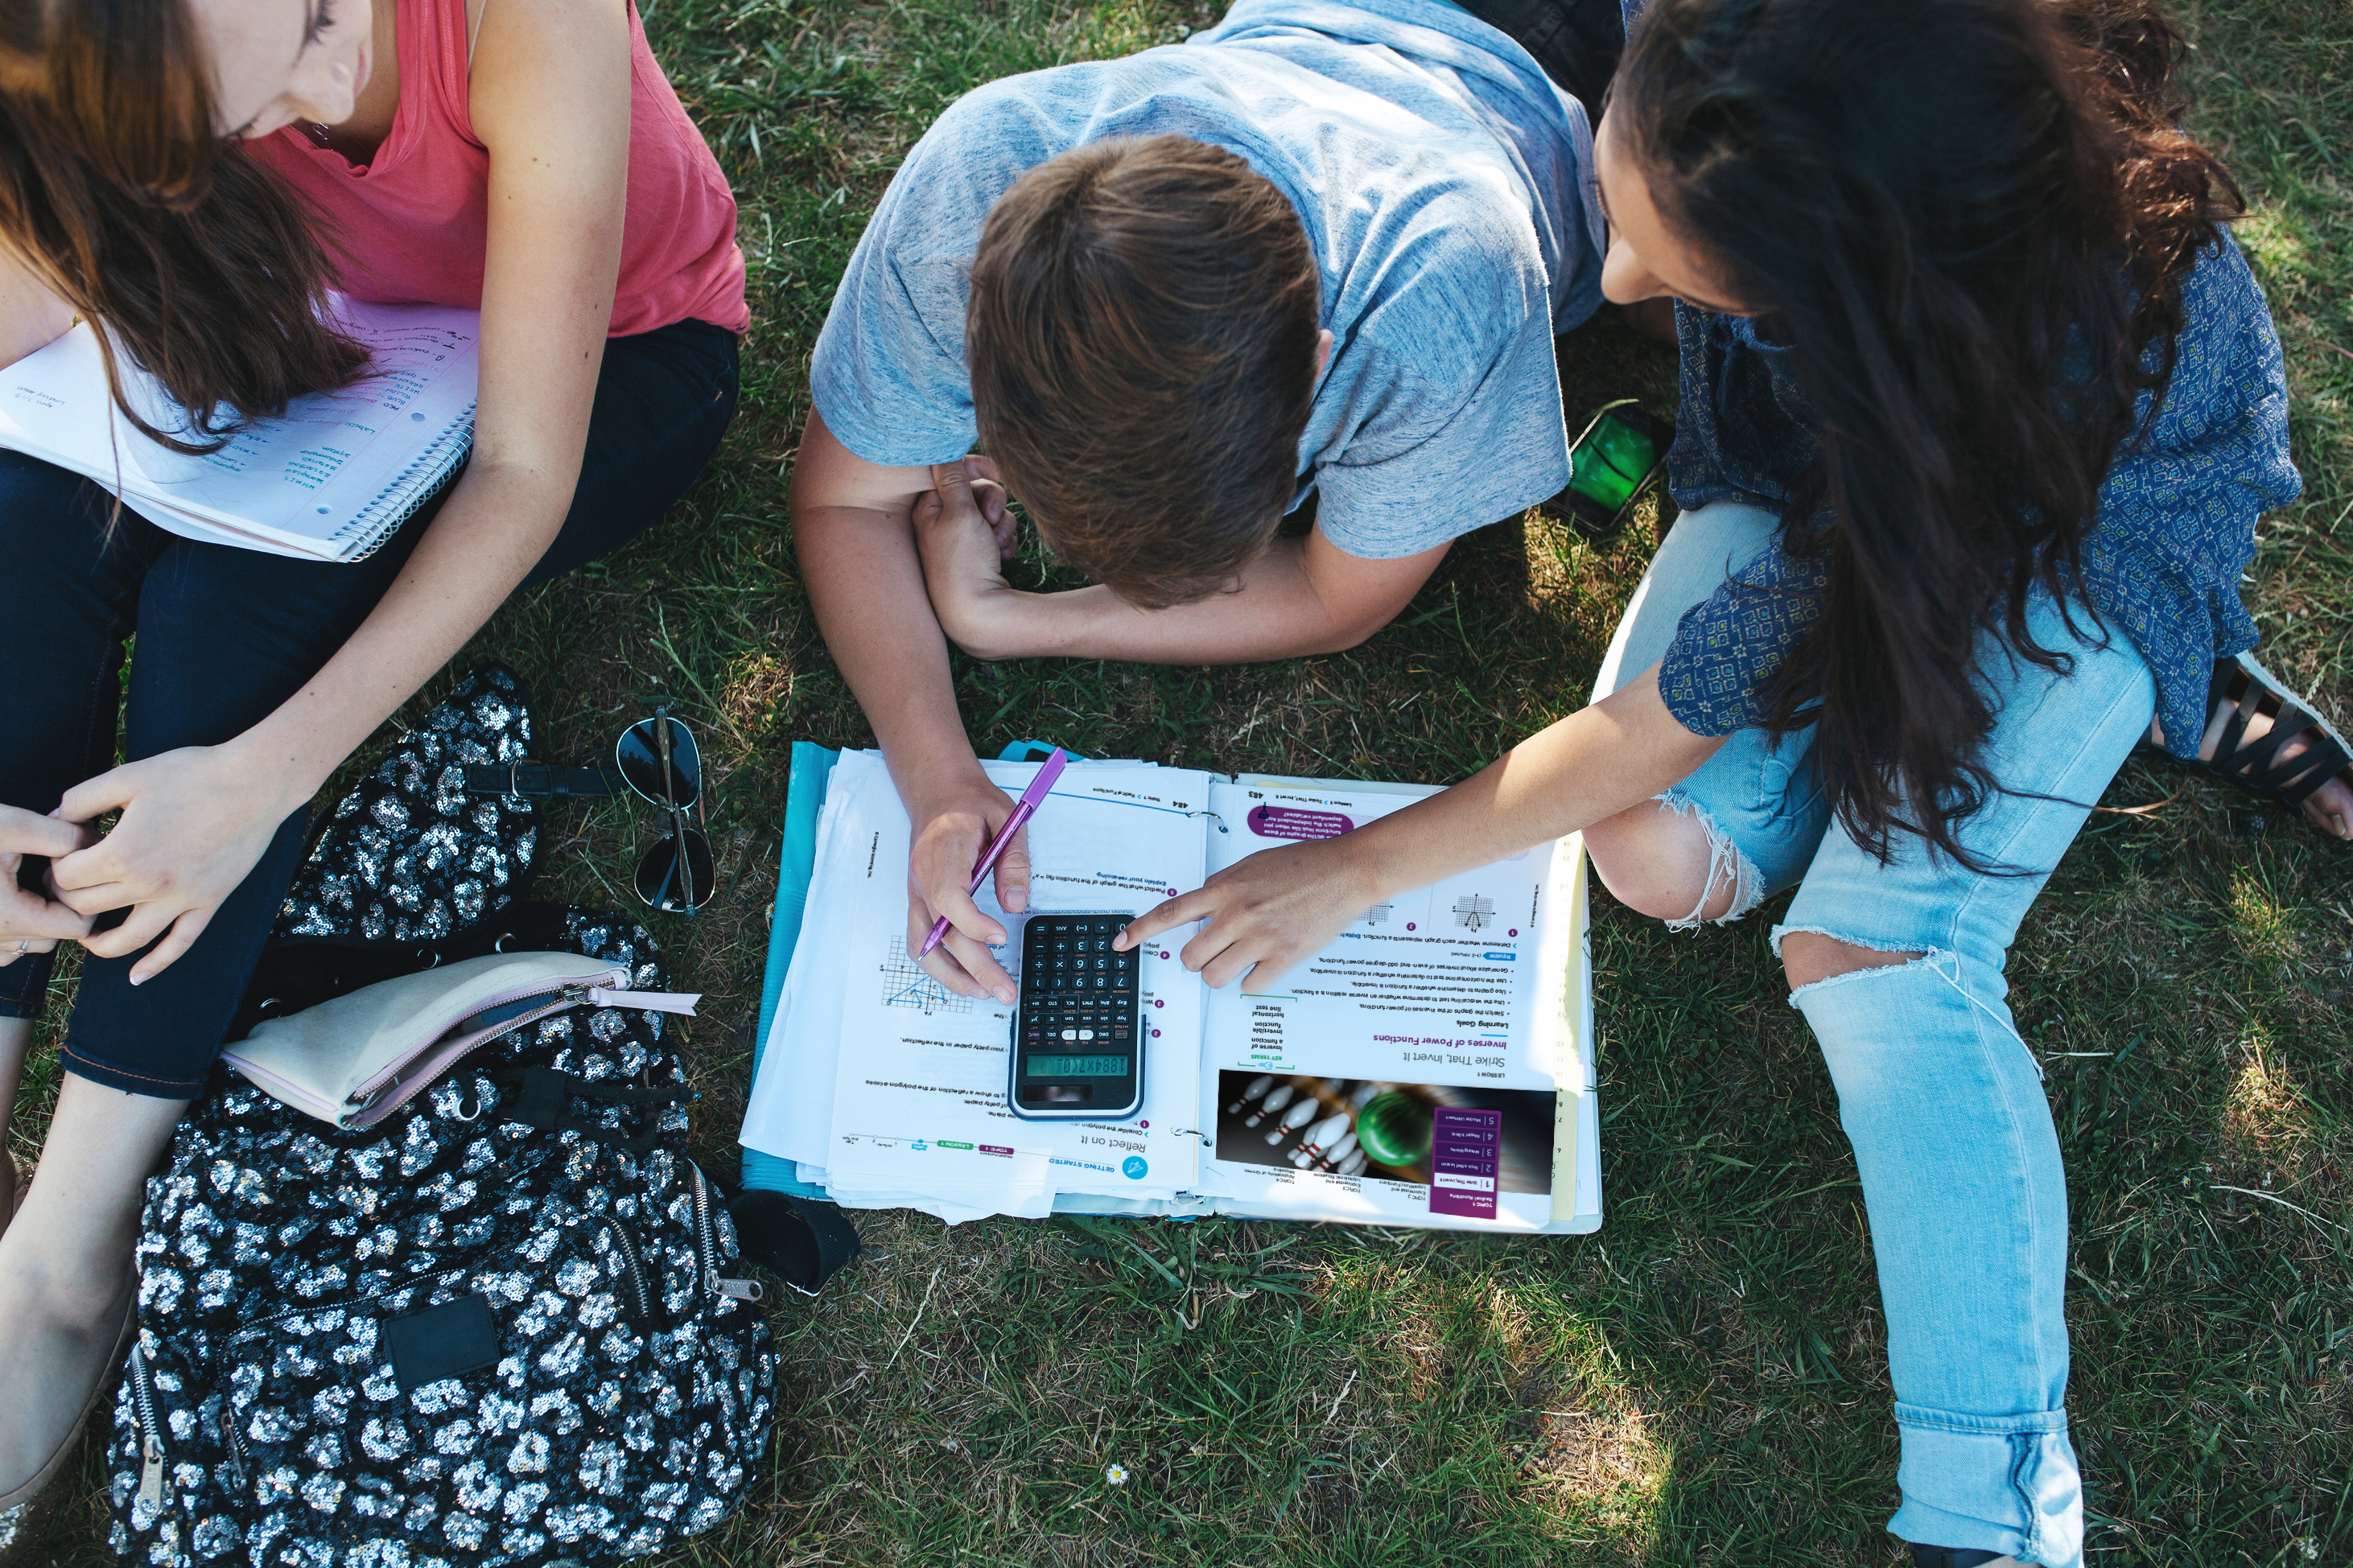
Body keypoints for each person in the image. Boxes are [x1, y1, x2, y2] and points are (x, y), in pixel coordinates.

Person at [1107, 0, 2350, 1563]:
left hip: (2061, 521)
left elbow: (1657, 712)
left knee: (1877, 950)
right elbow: (1653, 752)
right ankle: (1994, 700)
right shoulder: (1750, 64)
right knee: (1648, 854)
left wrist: (1350, 867)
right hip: (1817, 469)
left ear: (1820, 291)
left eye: (1656, 256)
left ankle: (1993, 1509)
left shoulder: (1958, 383)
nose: (1617, 281)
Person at [0, 0, 744, 1548]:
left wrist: (260, 780)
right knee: (28, 526)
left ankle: (67, 1249)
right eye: (276, 81)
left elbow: (524, 471)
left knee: (228, 609)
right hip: (299, 312)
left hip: (609, 356)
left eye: (331, 18)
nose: (337, 74)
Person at [794, 0, 1633, 1006]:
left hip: (1556, 58)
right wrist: (933, 779)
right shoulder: (967, 197)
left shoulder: (1440, 304)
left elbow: (1336, 600)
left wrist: (1008, 619)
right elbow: (843, 502)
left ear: (1318, 363)